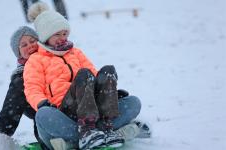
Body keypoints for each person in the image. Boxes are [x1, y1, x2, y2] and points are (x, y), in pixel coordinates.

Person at [24, 2, 149, 149]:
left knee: (127, 94)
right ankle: (89, 132)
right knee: (43, 115)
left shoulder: (75, 53)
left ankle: (104, 129)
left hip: (93, 111)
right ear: (45, 36)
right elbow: (32, 88)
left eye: (65, 33)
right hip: (65, 113)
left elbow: (95, 77)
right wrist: (41, 103)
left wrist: (110, 94)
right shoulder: (36, 60)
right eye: (57, 34)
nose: (62, 38)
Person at [0, 26, 49, 149]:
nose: (30, 46)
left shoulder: (55, 58)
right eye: (24, 45)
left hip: (67, 108)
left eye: (33, 41)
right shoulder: (21, 76)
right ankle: (0, 136)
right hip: (45, 115)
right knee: (20, 84)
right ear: (19, 53)